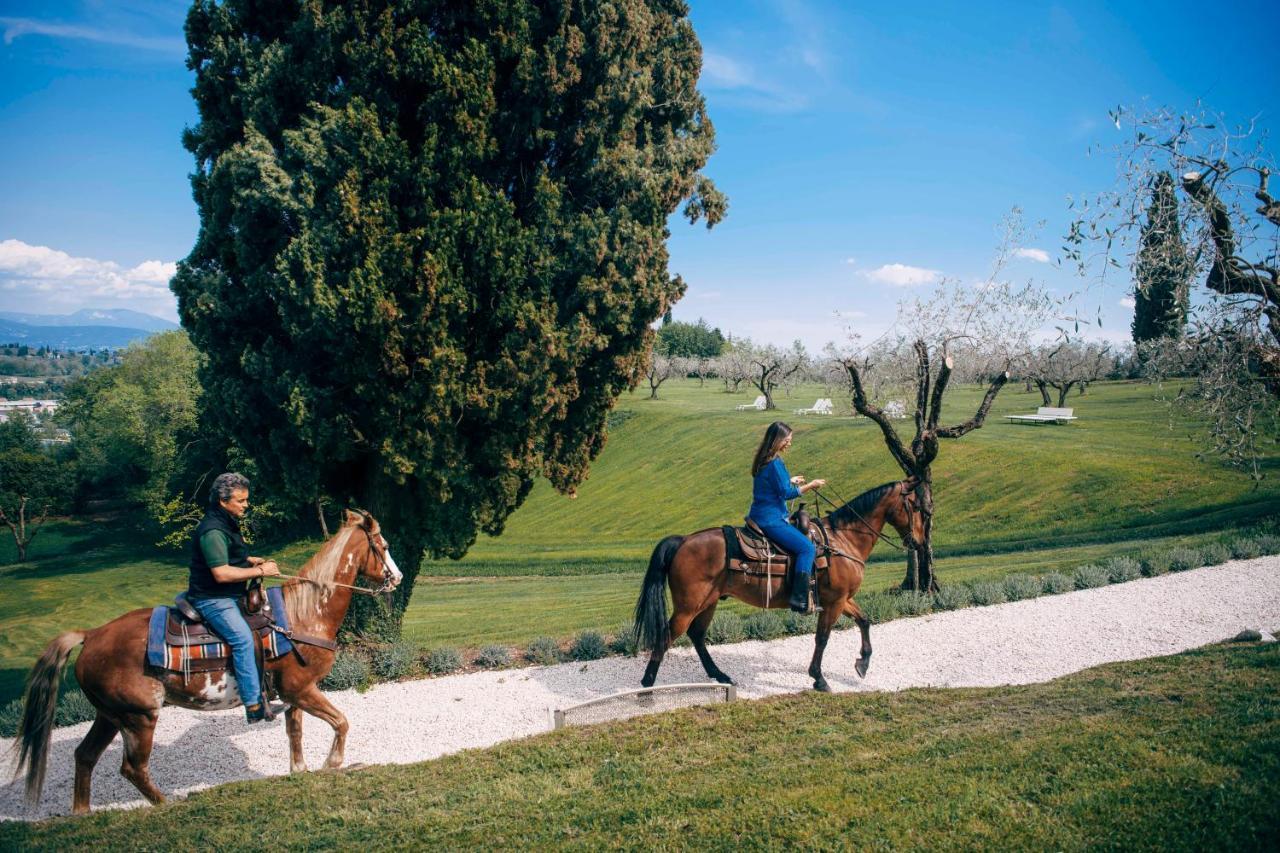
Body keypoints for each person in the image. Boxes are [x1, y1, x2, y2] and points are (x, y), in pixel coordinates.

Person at [186, 472, 283, 723]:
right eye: (241, 500)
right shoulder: (212, 530)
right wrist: (261, 571)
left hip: (229, 594)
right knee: (242, 639)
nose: (246, 505)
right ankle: (254, 705)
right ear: (223, 500)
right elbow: (221, 572)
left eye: (246, 500)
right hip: (213, 598)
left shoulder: (226, 522)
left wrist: (249, 561)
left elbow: (229, 556)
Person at [747, 422, 826, 612]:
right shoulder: (775, 463)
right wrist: (811, 485)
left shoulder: (764, 459)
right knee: (807, 548)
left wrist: (790, 480)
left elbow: (773, 485)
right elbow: (785, 493)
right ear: (777, 440)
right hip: (771, 519)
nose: (789, 444)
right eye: (787, 440)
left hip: (759, 514)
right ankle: (799, 599)